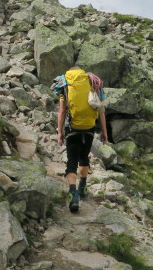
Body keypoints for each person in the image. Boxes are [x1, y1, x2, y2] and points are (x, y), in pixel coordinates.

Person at [56, 66, 108, 212]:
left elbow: (62, 110)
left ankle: (73, 194)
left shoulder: (64, 82)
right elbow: (101, 110)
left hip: (72, 128)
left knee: (72, 160)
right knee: (84, 157)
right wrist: (104, 132)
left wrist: (59, 131)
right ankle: (83, 187)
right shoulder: (93, 82)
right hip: (89, 127)